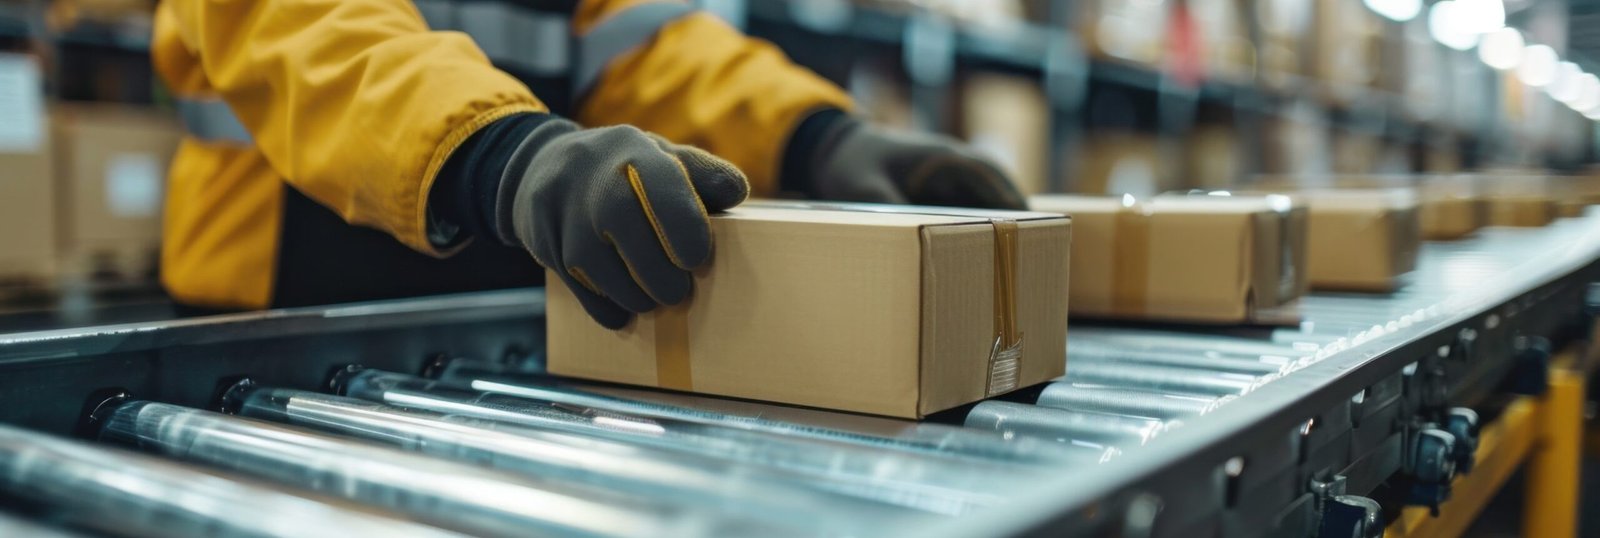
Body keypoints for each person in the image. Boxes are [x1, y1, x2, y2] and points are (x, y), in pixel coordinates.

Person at [153, 0, 1026, 328]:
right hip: (271, 328)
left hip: (477, 319)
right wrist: (503, 151)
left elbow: (642, 47)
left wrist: (814, 135)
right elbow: (309, 38)